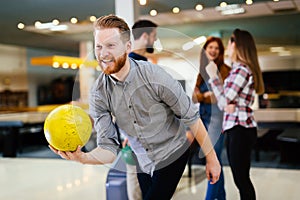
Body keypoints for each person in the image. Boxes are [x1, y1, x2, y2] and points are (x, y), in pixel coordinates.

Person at [50, 14, 221, 200]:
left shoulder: (154, 75)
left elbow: (190, 116)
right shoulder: (99, 92)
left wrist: (211, 158)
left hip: (172, 152)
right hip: (142, 159)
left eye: (110, 45)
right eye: (98, 46)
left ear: (128, 47)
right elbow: (108, 148)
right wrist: (82, 158)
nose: (103, 53)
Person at [206, 29, 265, 200]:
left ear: (238, 45)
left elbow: (224, 101)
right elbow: (227, 102)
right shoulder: (238, 69)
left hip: (240, 129)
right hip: (238, 128)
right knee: (241, 179)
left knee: (241, 180)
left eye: (231, 42)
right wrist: (227, 103)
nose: (228, 46)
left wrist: (213, 77)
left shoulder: (241, 70)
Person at [192, 36, 230, 200]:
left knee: (212, 159)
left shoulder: (225, 70)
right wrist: (206, 96)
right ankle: (221, 197)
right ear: (205, 51)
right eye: (210, 48)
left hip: (217, 120)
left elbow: (221, 98)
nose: (213, 51)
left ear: (220, 52)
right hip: (203, 119)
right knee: (213, 159)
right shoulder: (202, 71)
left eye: (217, 48)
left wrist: (204, 96)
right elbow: (194, 97)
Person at [126, 19, 157, 200]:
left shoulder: (143, 62)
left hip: (148, 136)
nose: (154, 41)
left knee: (147, 186)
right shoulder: (130, 63)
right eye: (154, 36)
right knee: (140, 187)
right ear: (145, 36)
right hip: (137, 138)